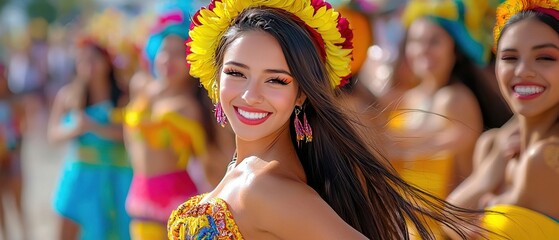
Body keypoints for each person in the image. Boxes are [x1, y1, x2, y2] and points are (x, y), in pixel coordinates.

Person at [167, 1, 486, 239]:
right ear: (215, 77)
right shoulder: (243, 167)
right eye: (236, 73)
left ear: (302, 94)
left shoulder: (266, 187)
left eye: (276, 80)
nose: (250, 95)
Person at [445, 0, 559, 238]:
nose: (522, 70)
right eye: (509, 57)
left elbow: (449, 221)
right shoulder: (493, 146)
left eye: (546, 58)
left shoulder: (546, 159)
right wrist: (493, 166)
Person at [122, 2, 234, 239]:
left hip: (178, 202)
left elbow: (216, 159)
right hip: (139, 196)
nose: (168, 60)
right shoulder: (141, 88)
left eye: (178, 54)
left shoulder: (192, 107)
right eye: (164, 51)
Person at [48, 37, 133, 240]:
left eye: (93, 59)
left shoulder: (124, 95)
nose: (88, 66)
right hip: (79, 176)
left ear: (107, 61)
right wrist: (74, 128)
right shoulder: (68, 95)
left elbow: (131, 135)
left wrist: (93, 127)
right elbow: (53, 134)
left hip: (116, 177)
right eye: (82, 60)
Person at [0, 61, 26, 240]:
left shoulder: (14, 101)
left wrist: (12, 148)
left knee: (18, 203)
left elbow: (22, 129)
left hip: (12, 157)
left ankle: (25, 235)